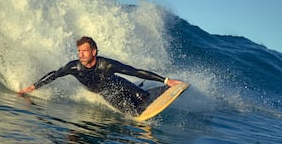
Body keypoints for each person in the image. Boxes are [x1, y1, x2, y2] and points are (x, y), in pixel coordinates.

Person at [18, 36, 181, 115]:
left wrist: (166, 79)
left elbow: (134, 71)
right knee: (131, 111)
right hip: (107, 93)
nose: (81, 54)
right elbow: (54, 75)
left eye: (85, 51)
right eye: (79, 51)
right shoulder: (73, 67)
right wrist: (32, 87)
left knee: (142, 96)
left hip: (118, 83)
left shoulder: (107, 65)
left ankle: (163, 88)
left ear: (94, 52)